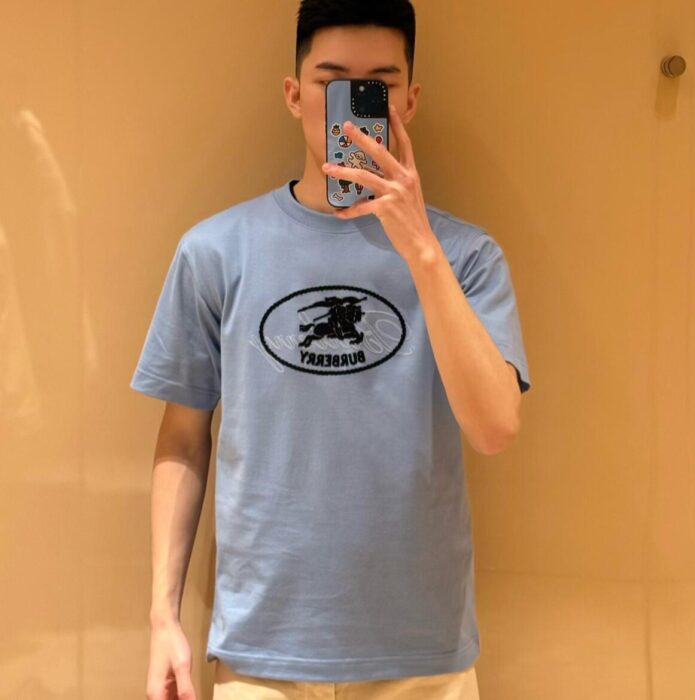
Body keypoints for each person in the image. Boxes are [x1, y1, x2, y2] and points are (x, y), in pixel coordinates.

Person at [131, 1, 532, 698]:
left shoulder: (466, 256)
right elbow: (183, 440)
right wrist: (162, 616)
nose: (353, 110)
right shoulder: (216, 252)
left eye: (378, 85)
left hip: (423, 658)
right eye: (332, 81)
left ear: (409, 100)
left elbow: (495, 427)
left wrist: (420, 250)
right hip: (262, 654)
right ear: (294, 95)